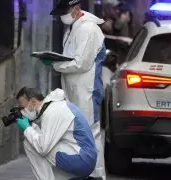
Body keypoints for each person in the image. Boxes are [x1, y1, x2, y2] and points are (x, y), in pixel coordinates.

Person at [43, 0, 107, 179]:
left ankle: (97, 176)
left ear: (77, 10)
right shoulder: (72, 28)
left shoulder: (88, 29)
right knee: (78, 134)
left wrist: (55, 65)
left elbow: (81, 63)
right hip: (75, 89)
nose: (61, 16)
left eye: (65, 11)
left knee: (90, 134)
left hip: (86, 90)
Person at [16, 87, 99, 180]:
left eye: (22, 108)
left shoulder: (52, 112)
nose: (22, 112)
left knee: (30, 143)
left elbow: (42, 147)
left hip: (82, 159)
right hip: (83, 157)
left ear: (33, 102)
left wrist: (27, 128)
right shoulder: (56, 106)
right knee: (38, 140)